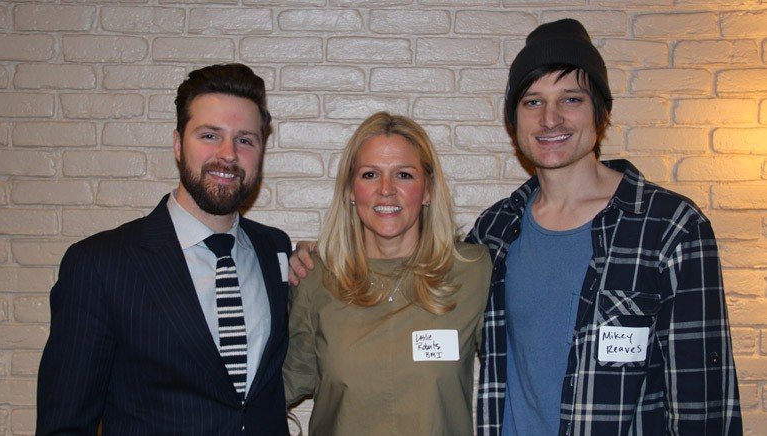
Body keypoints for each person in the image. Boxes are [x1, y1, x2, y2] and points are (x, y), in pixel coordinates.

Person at [289, 19, 742, 436]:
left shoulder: (670, 229)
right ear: (514, 119)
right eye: (533, 102)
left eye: (571, 99)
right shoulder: (496, 233)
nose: (550, 119)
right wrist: (315, 258)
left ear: (601, 112)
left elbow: (704, 400)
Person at [37, 63, 292, 435]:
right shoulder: (99, 265)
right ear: (177, 143)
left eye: (245, 139)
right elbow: (65, 424)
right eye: (209, 135)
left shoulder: (275, 250)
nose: (228, 154)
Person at [283, 112, 492, 435]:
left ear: (428, 190)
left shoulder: (473, 272)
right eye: (369, 175)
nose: (386, 190)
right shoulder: (316, 277)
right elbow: (283, 383)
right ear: (350, 190)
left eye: (404, 175)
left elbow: (520, 372)